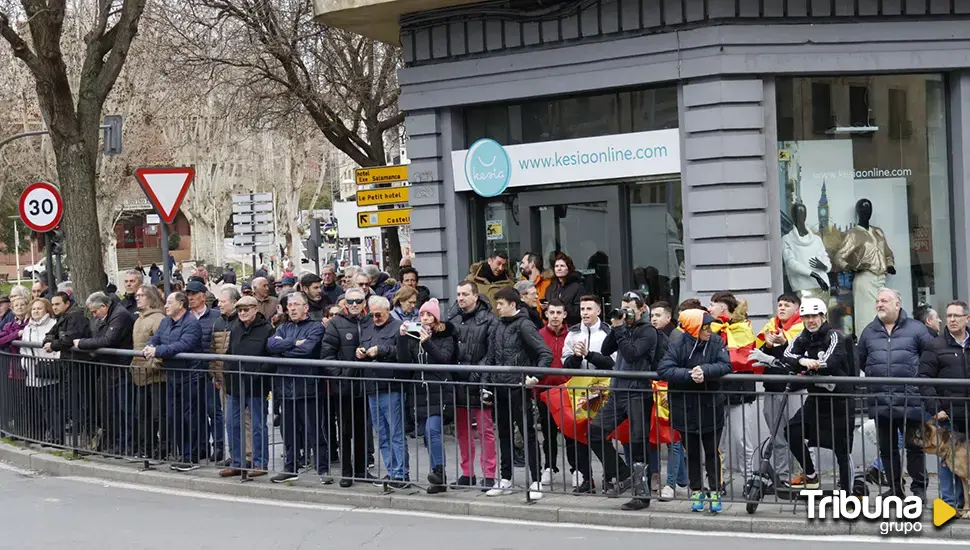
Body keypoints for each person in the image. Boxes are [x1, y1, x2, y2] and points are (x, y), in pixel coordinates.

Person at [752, 297, 854, 493]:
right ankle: (811, 476)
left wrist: (811, 363)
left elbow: (832, 361)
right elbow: (788, 356)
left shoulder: (834, 335)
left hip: (839, 400)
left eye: (814, 316)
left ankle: (847, 492)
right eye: (806, 317)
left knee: (841, 449)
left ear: (823, 317)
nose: (811, 321)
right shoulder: (803, 337)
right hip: (816, 399)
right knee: (792, 431)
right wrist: (803, 362)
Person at [857, 287, 933, 499]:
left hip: (911, 400)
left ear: (897, 304)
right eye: (878, 301)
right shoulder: (869, 332)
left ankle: (919, 490)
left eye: (885, 301)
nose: (880, 304)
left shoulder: (917, 329)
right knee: (887, 450)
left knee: (914, 448)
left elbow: (928, 360)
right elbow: (861, 361)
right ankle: (895, 489)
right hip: (881, 400)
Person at [658, 309, 733, 514]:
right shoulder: (677, 344)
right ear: (694, 328)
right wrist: (691, 374)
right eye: (705, 327)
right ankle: (697, 491)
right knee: (691, 452)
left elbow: (726, 364)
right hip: (685, 408)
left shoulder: (716, 342)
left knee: (712, 451)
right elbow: (664, 369)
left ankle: (716, 492)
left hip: (710, 406)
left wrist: (705, 371)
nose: (709, 330)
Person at [483, 287, 552, 500]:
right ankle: (505, 479)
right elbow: (491, 358)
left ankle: (536, 480)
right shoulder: (496, 326)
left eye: (501, 304)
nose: (498, 307)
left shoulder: (524, 325)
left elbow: (545, 354)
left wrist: (534, 377)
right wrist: (486, 385)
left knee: (528, 434)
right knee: (503, 434)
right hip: (500, 388)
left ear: (513, 304)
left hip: (519, 388)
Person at [592, 291, 658, 510]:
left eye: (629, 308)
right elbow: (605, 349)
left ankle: (642, 495)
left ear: (641, 309)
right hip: (618, 391)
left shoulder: (648, 331)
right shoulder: (622, 328)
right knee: (595, 431)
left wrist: (621, 329)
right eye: (623, 307)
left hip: (638, 393)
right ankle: (622, 473)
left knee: (638, 444)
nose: (625, 312)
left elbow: (632, 354)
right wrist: (616, 326)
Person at [266, 292, 330, 484]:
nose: (292, 308)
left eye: (296, 305)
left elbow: (307, 350)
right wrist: (293, 343)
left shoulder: (316, 327)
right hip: (286, 387)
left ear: (306, 307)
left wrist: (284, 348)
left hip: (308, 387)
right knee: (289, 431)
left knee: (315, 430)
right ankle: (290, 467)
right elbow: (270, 345)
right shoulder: (283, 327)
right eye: (289, 305)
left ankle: (323, 469)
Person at [397, 298, 456, 494]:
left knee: (433, 431)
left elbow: (444, 359)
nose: (424, 318)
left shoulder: (445, 335)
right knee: (427, 437)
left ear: (436, 318)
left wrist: (428, 343)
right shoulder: (415, 336)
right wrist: (403, 338)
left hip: (439, 390)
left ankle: (439, 471)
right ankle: (438, 479)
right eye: (422, 314)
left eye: (429, 315)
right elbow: (405, 362)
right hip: (420, 393)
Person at [445, 280, 498, 489]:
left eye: (465, 294)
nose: (460, 298)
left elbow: (491, 353)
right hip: (458, 380)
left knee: (485, 430)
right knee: (463, 431)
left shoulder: (489, 320)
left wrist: (476, 373)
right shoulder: (453, 318)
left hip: (480, 380)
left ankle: (489, 473)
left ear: (475, 296)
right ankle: (467, 472)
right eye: (458, 294)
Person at [143, 292, 204, 472]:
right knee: (173, 416)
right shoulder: (166, 322)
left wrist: (158, 350)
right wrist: (151, 345)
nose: (166, 305)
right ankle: (181, 454)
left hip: (189, 375)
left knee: (190, 417)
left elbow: (184, 345)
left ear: (181, 304)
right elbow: (156, 337)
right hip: (172, 375)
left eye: (169, 302)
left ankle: (191, 457)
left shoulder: (191, 323)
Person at [919, 300, 970, 508]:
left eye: (956, 316)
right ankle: (951, 503)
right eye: (948, 316)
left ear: (967, 318)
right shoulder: (935, 345)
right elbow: (924, 379)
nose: (951, 320)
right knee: (948, 462)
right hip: (948, 414)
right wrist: (935, 408)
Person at [321, 287, 373, 486]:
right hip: (344, 387)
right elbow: (327, 356)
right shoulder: (336, 324)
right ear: (344, 303)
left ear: (364, 302)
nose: (354, 305)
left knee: (362, 430)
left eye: (358, 301)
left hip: (366, 385)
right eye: (350, 301)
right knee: (345, 430)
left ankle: (361, 471)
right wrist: (342, 377)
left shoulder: (370, 322)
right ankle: (346, 472)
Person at [560, 296, 613, 492]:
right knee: (580, 434)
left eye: (589, 308)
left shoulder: (608, 332)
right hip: (580, 389)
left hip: (602, 388)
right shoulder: (573, 333)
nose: (585, 313)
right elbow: (565, 364)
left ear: (598, 311)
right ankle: (586, 479)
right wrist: (575, 356)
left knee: (603, 434)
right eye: (582, 309)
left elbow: (612, 362)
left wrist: (590, 354)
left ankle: (609, 478)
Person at [753, 293, 804, 488]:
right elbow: (758, 358)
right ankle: (783, 478)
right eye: (779, 304)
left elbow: (797, 357)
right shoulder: (770, 327)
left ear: (797, 309)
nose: (781, 308)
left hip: (795, 391)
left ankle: (807, 475)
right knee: (778, 437)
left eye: (787, 305)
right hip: (772, 389)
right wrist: (767, 345)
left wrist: (784, 343)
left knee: (800, 435)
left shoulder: (802, 328)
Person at [75, 291, 135, 455]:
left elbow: (108, 340)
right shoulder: (102, 317)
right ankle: (116, 443)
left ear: (104, 306)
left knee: (124, 409)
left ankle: (127, 444)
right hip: (109, 368)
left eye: (95, 311)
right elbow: (98, 336)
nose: (93, 315)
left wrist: (82, 343)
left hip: (121, 367)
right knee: (112, 409)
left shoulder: (120, 315)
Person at [709, 291, 758, 482]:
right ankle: (720, 478)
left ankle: (748, 479)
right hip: (717, 391)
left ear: (722, 307)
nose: (709, 308)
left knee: (741, 439)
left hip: (740, 392)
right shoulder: (711, 328)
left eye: (712, 304)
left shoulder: (743, 328)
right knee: (718, 441)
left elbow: (742, 360)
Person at [360, 296, 409, 488]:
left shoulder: (399, 327)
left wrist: (381, 350)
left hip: (391, 385)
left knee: (395, 432)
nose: (375, 318)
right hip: (373, 385)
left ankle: (401, 474)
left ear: (388, 311)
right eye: (372, 315)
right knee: (382, 434)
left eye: (378, 314)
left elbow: (404, 354)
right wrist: (361, 353)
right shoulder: (368, 327)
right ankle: (392, 471)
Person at [222, 295, 273, 478]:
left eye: (246, 309)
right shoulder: (235, 327)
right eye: (240, 310)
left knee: (258, 425)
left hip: (256, 384)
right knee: (232, 423)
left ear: (255, 309)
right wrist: (227, 373)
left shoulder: (267, 329)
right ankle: (237, 462)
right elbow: (229, 353)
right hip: (235, 383)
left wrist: (258, 373)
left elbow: (270, 358)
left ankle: (260, 463)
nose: (242, 313)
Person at [185, 280, 224, 463]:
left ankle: (218, 446)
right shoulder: (185, 317)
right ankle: (201, 446)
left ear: (203, 296)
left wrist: (217, 371)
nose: (190, 298)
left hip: (208, 370)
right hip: (191, 370)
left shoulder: (216, 316)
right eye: (188, 295)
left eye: (194, 294)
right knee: (196, 411)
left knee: (213, 410)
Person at [130, 286, 167, 460]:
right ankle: (148, 446)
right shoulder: (138, 320)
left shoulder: (158, 318)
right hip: (139, 372)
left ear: (150, 298)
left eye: (141, 295)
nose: (137, 298)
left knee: (158, 414)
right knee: (142, 413)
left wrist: (154, 366)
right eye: (136, 295)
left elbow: (160, 344)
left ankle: (162, 448)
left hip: (155, 375)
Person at [19, 298, 60, 444]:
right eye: (34, 308)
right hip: (31, 372)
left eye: (39, 308)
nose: (36, 311)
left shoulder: (53, 325)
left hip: (48, 371)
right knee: (34, 407)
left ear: (46, 310)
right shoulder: (28, 327)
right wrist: (25, 364)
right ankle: (37, 435)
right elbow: (23, 348)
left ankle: (56, 438)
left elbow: (55, 348)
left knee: (52, 407)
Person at [544, 253, 584, 327]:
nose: (559, 268)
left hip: (571, 328)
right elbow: (545, 316)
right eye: (556, 266)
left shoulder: (577, 287)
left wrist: (561, 306)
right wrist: (545, 308)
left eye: (562, 266)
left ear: (568, 268)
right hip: (553, 328)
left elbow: (579, 312)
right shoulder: (550, 288)